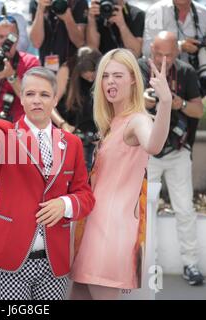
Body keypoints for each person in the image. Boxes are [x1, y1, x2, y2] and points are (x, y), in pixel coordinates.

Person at [0, 54, 95, 300]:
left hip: (55, 261)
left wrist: (64, 204)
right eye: (30, 94)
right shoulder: (5, 133)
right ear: (22, 98)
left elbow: (85, 195)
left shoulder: (72, 144)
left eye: (44, 95)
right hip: (12, 256)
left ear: (55, 99)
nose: (36, 100)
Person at [70, 48, 172, 300]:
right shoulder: (112, 123)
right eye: (105, 76)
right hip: (93, 228)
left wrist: (166, 103)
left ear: (133, 80)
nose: (110, 82)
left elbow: (154, 145)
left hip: (109, 234)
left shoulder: (137, 120)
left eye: (117, 75)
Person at [139, 31, 205, 286]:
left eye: (168, 54)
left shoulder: (186, 72)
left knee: (184, 209)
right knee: (146, 211)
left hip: (178, 149)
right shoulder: (140, 69)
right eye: (158, 54)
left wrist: (178, 103)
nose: (163, 59)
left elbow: (198, 109)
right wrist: (142, 102)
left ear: (177, 53)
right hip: (148, 152)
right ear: (150, 51)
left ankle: (191, 264)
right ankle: (148, 265)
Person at [0, 15, 40, 123]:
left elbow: (34, 101)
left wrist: (11, 76)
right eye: (0, 37)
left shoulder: (30, 62)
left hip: (19, 129)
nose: (6, 43)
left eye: (10, 38)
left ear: (18, 38)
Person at [142, 0, 206, 96]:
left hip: (193, 81)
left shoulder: (203, 12)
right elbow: (147, 50)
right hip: (163, 79)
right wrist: (180, 47)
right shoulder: (157, 10)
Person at [51, 47, 103, 171]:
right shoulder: (67, 70)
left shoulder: (104, 75)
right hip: (68, 131)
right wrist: (63, 124)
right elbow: (50, 105)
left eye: (93, 76)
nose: (90, 79)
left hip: (93, 135)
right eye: (86, 75)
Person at [29, 0, 88, 69]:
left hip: (70, 68)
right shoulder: (37, 2)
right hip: (46, 70)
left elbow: (80, 42)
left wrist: (68, 18)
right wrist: (40, 9)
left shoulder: (77, 2)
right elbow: (36, 43)